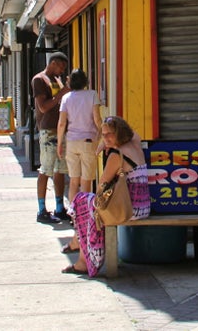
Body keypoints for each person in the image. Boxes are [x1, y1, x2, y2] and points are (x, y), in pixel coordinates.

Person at [65, 115, 150, 276]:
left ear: (119, 133)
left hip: (127, 208)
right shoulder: (135, 144)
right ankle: (78, 245)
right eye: (103, 135)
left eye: (110, 134)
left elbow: (102, 188)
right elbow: (133, 133)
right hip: (143, 206)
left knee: (81, 202)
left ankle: (83, 257)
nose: (106, 138)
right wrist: (107, 141)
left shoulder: (116, 155)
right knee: (86, 205)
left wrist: (104, 147)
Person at [56, 69, 101, 253]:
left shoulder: (66, 98)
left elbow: (61, 123)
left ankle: (74, 214)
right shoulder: (92, 95)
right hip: (88, 141)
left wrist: (60, 143)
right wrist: (103, 136)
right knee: (87, 181)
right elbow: (97, 119)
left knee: (74, 180)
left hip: (72, 142)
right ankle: (85, 214)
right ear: (86, 81)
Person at [33, 51, 71, 224]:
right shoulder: (39, 80)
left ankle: (59, 207)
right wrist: (62, 92)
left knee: (60, 170)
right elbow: (42, 107)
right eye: (61, 67)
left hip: (60, 129)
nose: (62, 72)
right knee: (46, 169)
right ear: (53, 63)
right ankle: (42, 210)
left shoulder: (56, 80)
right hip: (48, 130)